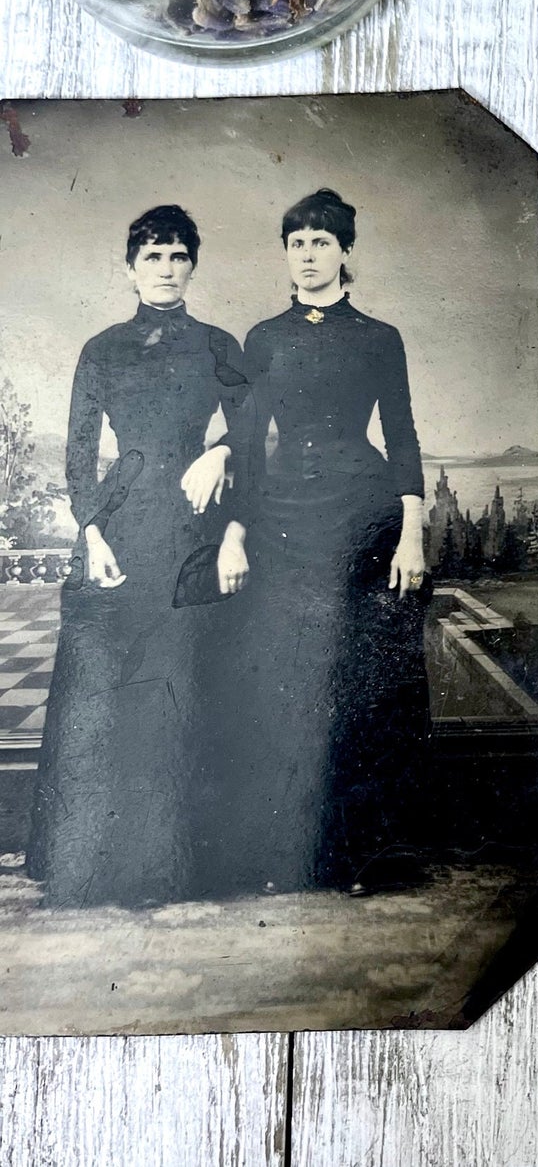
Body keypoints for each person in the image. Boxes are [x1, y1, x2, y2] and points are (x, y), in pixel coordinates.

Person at [193, 188, 431, 898]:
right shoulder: (265, 338)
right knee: (283, 678)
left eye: (321, 242)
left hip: (363, 513)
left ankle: (365, 855)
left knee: (359, 683)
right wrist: (232, 527)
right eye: (296, 242)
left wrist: (411, 532)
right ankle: (285, 854)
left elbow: (404, 435)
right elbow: (246, 437)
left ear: (345, 252)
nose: (307, 254)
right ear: (286, 253)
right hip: (282, 518)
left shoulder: (378, 336)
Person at [28, 206, 250, 908]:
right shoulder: (101, 348)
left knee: (184, 679)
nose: (165, 268)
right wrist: (90, 532)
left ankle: (181, 863)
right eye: (152, 256)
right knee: (110, 687)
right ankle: (100, 863)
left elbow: (256, 416)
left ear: (193, 265)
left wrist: (219, 449)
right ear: (130, 267)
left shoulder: (217, 342)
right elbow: (76, 451)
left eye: (178, 255)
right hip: (119, 527)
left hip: (191, 526)